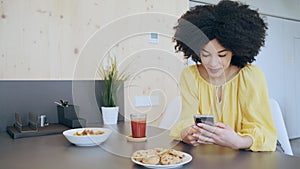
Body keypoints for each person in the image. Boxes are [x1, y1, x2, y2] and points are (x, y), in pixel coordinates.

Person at [170, 0, 278, 151]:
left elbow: (264, 133)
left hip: (247, 156)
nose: (213, 64)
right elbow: (187, 119)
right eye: (205, 54)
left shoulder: (250, 76)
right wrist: (186, 133)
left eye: (222, 55)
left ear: (235, 51)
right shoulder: (190, 75)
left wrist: (239, 141)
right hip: (205, 158)